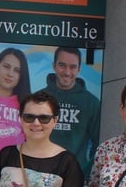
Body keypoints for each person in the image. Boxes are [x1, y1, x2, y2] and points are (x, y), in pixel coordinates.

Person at [38, 47, 100, 176]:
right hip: (40, 173)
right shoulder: (38, 98)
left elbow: (97, 143)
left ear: (79, 69)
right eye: (62, 65)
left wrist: (86, 171)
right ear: (54, 66)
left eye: (72, 67)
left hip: (75, 175)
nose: (67, 72)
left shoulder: (91, 102)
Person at [0, 48, 31, 159]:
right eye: (6, 66)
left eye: (17, 70)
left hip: (13, 166)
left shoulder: (27, 105)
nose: (10, 74)